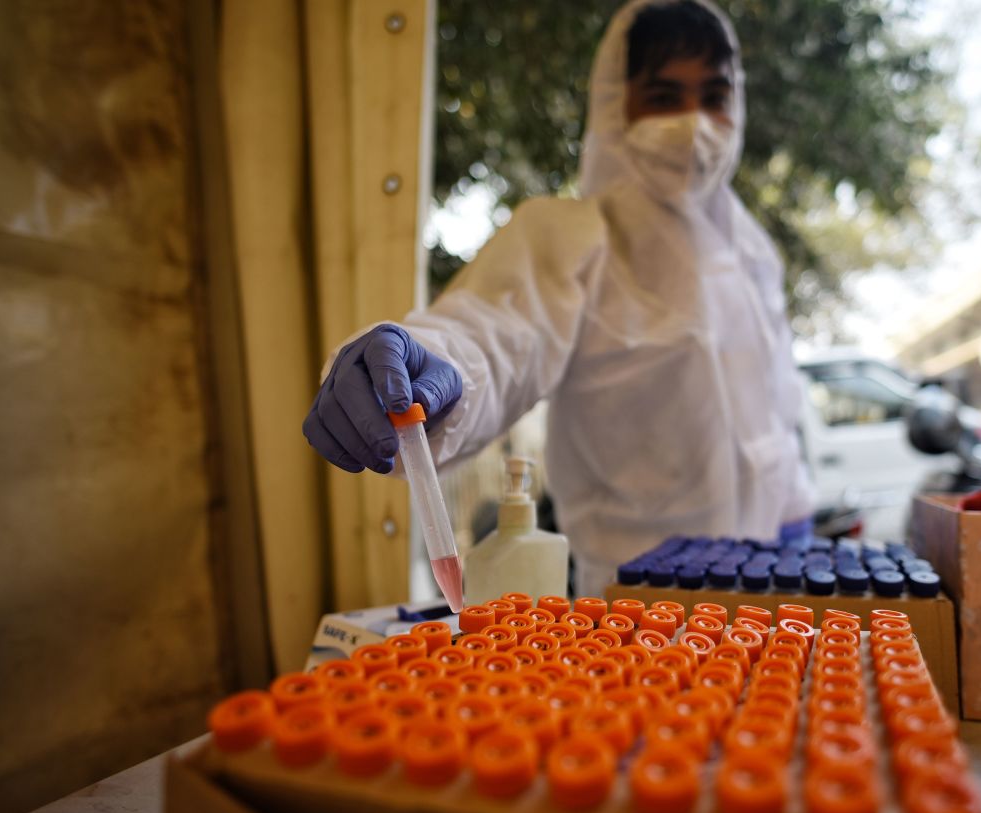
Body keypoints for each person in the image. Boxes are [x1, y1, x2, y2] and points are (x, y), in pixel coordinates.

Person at [303, 0, 815, 596]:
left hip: (777, 579)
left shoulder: (752, 253)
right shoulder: (575, 239)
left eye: (715, 96)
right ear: (615, 105)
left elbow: (775, 415)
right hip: (642, 609)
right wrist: (430, 360)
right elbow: (494, 333)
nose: (694, 122)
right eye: (664, 96)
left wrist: (796, 521)